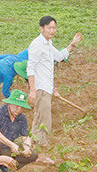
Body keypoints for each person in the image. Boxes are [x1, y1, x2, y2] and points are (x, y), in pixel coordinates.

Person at [27, 16, 82, 146]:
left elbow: (58, 56)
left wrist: (72, 45)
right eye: (49, 28)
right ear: (41, 28)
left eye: (54, 28)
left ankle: (31, 146)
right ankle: (41, 147)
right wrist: (32, 90)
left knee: (39, 119)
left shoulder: (48, 43)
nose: (52, 31)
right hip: (41, 89)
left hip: (47, 88)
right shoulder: (37, 44)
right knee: (44, 121)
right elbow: (30, 68)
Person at [0, 90, 52, 166]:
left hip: (5, 149)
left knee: (33, 155)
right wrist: (11, 144)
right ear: (10, 104)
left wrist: (27, 148)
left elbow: (25, 138)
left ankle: (8, 167)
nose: (19, 109)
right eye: (16, 106)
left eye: (21, 107)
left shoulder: (22, 118)